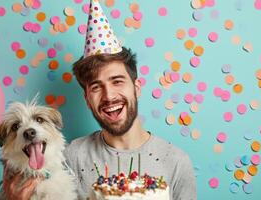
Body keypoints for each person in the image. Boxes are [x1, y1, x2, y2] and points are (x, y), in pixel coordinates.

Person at [66, 46, 197, 200]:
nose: (109, 96)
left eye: (117, 82)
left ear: (137, 88)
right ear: (88, 100)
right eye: (96, 87)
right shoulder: (71, 158)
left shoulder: (176, 162)